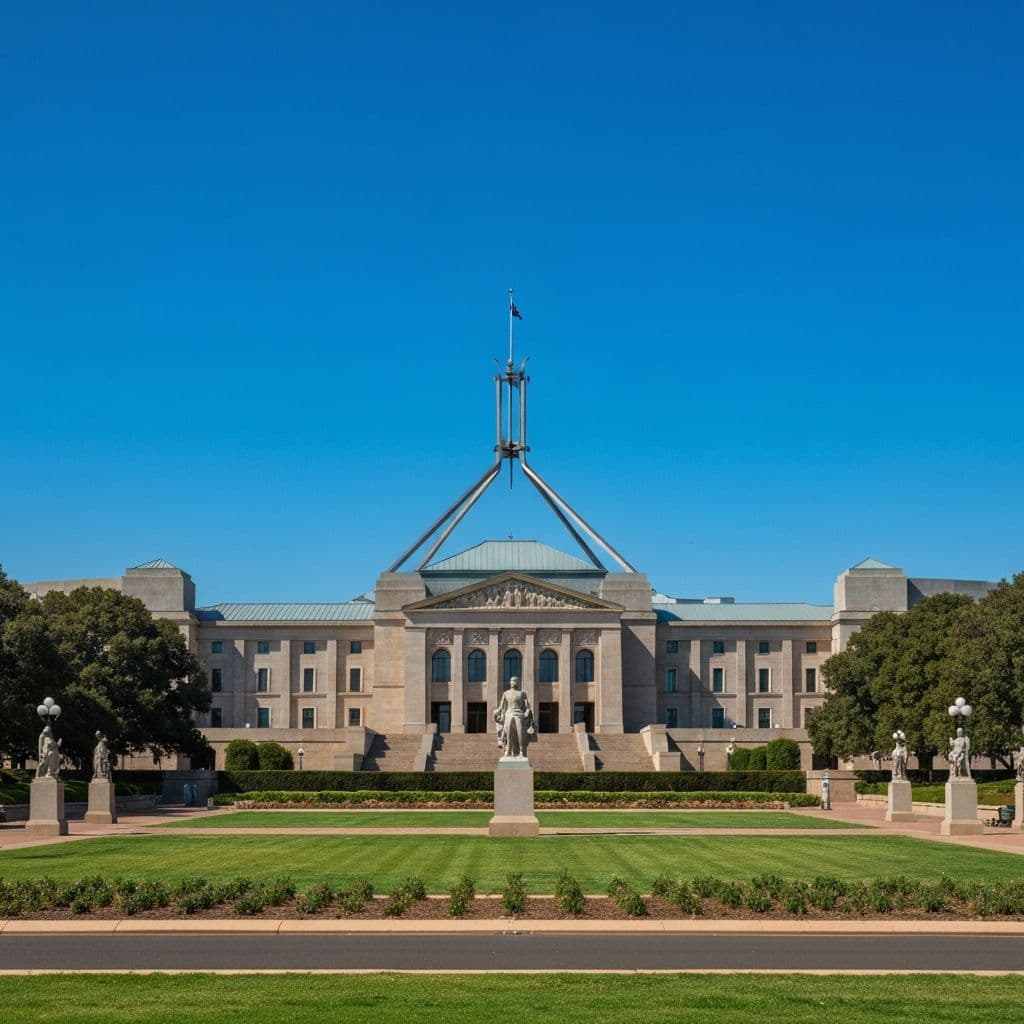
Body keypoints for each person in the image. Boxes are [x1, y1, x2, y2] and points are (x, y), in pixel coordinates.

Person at [492, 676, 536, 759]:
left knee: (520, 733)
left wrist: (527, 711)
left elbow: (527, 706)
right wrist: (496, 714)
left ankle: (521, 751)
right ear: (510, 682)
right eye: (512, 681)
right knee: (508, 734)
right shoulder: (506, 693)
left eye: (515, 681)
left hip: (519, 714)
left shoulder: (522, 694)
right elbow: (501, 707)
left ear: (518, 682)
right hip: (509, 714)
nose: (513, 682)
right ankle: (508, 751)